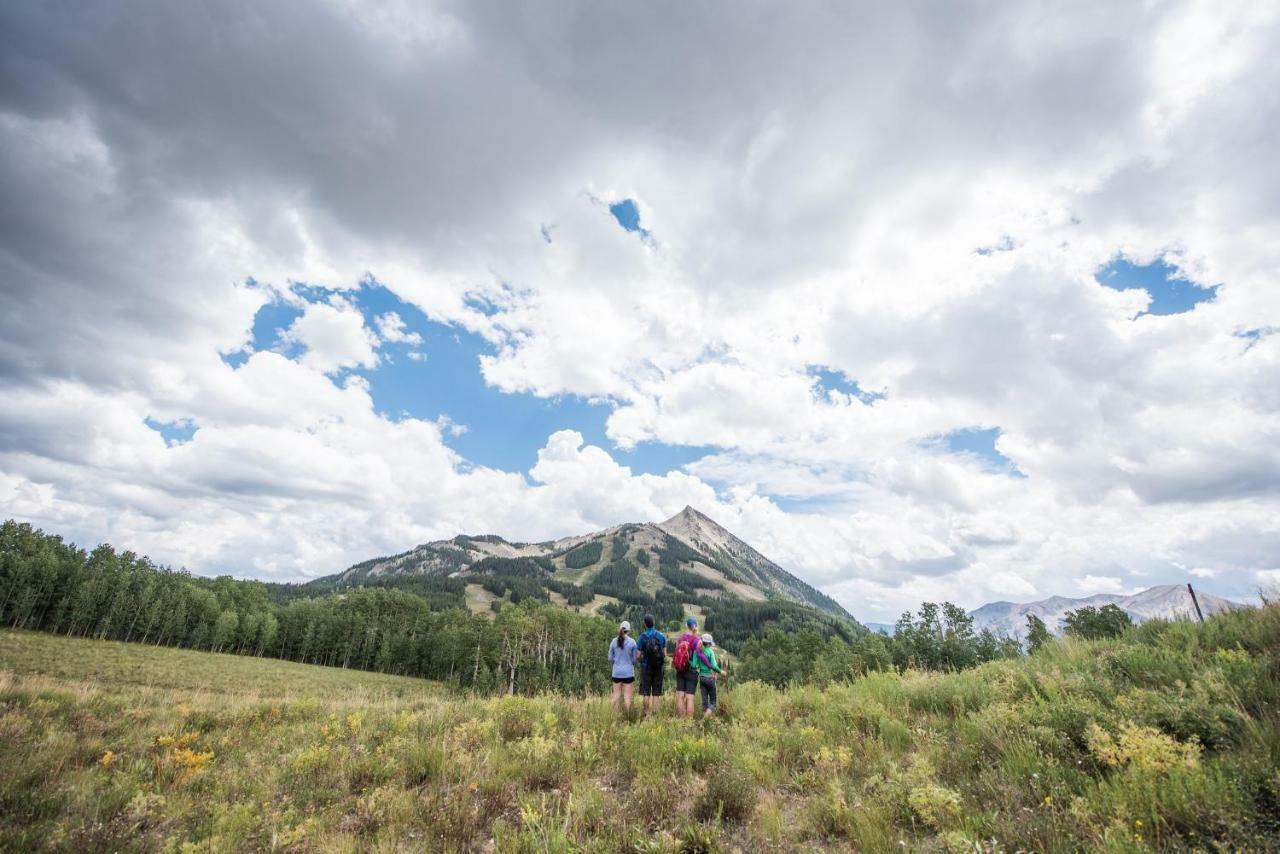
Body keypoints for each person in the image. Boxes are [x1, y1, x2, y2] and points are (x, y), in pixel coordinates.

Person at [672, 617, 709, 718]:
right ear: (695, 626)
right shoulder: (697, 640)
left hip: (680, 670)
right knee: (690, 698)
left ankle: (680, 721)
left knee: (680, 696)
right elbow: (701, 656)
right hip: (692, 671)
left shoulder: (680, 639)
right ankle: (688, 724)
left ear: (686, 626)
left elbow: (676, 655)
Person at [635, 613, 667, 715]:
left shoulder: (642, 637)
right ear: (654, 622)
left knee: (646, 692)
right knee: (656, 693)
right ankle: (655, 715)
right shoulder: (661, 636)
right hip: (658, 668)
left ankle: (646, 714)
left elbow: (638, 655)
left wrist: (642, 659)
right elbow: (665, 654)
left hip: (646, 668)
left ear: (645, 624)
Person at [608, 620, 638, 713]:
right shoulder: (632, 642)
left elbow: (610, 658)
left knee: (616, 695)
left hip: (616, 672)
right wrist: (629, 663)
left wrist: (617, 662)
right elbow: (634, 660)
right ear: (628, 630)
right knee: (627, 697)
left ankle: (614, 717)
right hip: (628, 673)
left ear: (620, 629)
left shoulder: (613, 641)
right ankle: (627, 717)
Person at [695, 632, 725, 718]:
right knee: (713, 703)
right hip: (710, 679)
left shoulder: (699, 651)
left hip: (701, 678)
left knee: (705, 702)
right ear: (709, 643)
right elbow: (714, 666)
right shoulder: (710, 652)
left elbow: (695, 665)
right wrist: (721, 672)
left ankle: (706, 722)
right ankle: (703, 721)